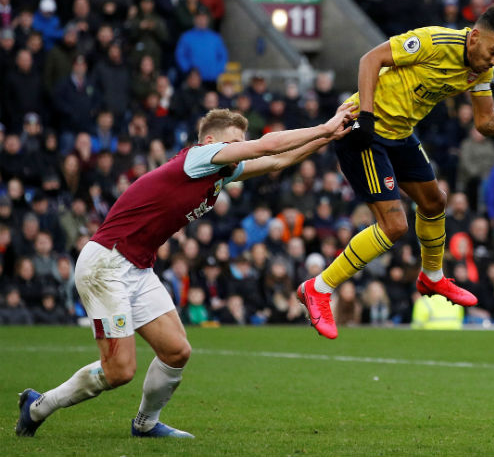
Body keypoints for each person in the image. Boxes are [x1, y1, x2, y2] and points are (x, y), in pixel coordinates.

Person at [16, 103, 354, 438]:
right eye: (233, 143)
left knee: (177, 351)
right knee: (119, 371)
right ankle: (37, 406)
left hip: (137, 266)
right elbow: (267, 146)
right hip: (106, 263)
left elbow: (279, 159)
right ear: (210, 141)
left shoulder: (222, 170)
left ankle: (146, 423)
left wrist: (331, 136)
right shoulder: (197, 158)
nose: (239, 150)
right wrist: (325, 125)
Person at [296, 5, 494, 339]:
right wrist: (366, 116)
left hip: (400, 134)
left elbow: (485, 122)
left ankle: (432, 277)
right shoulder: (433, 41)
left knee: (435, 202)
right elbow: (370, 60)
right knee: (395, 225)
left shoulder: (481, 70)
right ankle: (318, 287)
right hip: (364, 131)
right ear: (475, 37)